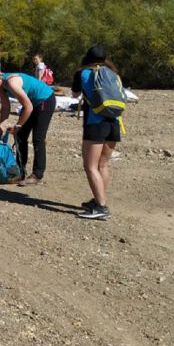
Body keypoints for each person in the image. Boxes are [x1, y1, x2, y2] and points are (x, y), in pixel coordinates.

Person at [0, 67, 55, 186]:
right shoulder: (0, 84)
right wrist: (1, 127)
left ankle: (37, 175)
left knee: (38, 138)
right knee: (20, 136)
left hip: (44, 100)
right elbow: (6, 107)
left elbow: (28, 107)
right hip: (32, 102)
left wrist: (18, 125)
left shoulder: (11, 82)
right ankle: (20, 172)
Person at [71, 45, 121, 220]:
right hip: (114, 121)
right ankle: (98, 199)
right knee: (103, 165)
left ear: (87, 58)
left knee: (90, 166)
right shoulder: (113, 73)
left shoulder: (83, 73)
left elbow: (75, 94)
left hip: (95, 123)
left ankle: (101, 207)